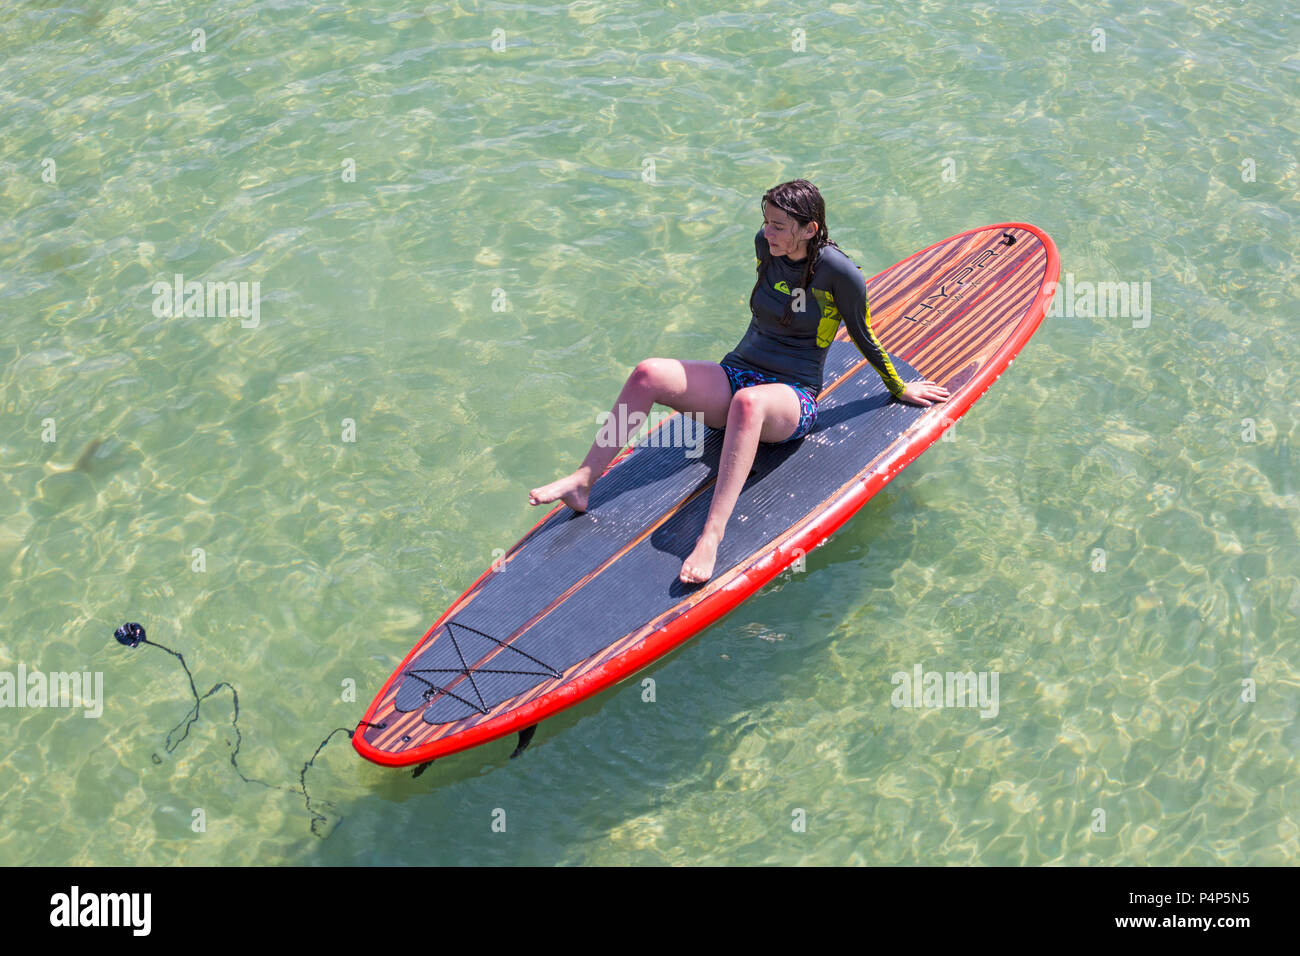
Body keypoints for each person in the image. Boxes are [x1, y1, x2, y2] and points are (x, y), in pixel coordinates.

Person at [529, 179, 950, 584]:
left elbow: (864, 333)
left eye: (779, 226)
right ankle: (584, 480)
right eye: (766, 221)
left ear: (810, 229)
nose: (767, 232)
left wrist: (898, 388)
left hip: (791, 398)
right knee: (648, 372)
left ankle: (711, 535)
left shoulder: (839, 274)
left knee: (748, 403)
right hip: (737, 372)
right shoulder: (765, 247)